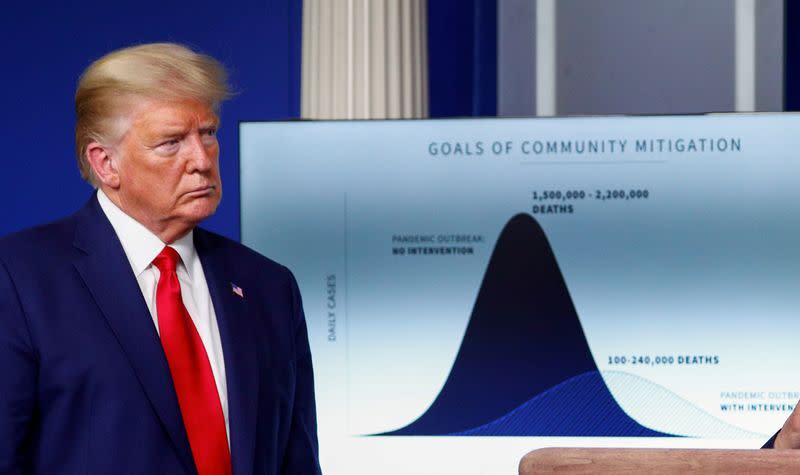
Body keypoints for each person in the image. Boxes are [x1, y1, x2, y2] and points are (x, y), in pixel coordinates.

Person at [0, 43, 321, 474]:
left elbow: (295, 461)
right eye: (171, 143)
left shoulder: (269, 287)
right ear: (106, 163)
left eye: (208, 133)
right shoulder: (19, 279)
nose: (202, 160)